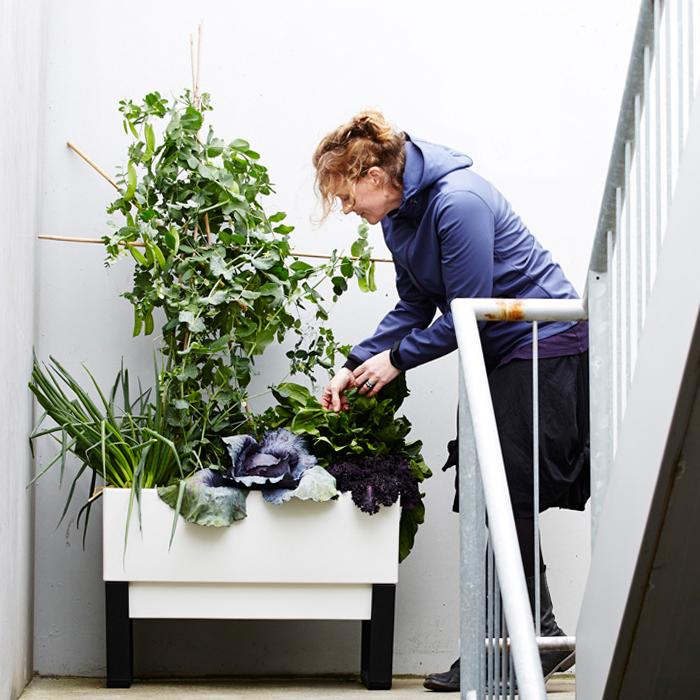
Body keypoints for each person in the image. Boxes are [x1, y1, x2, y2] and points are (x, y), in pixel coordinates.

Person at [313, 111, 589, 692]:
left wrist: (397, 361)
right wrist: (354, 363)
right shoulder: (399, 218)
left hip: (542, 343)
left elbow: (470, 310)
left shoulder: (456, 201)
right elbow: (415, 309)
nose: (344, 208)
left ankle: (521, 640)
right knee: (490, 492)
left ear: (373, 172)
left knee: (503, 489)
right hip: (497, 348)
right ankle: (530, 632)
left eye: (345, 194)